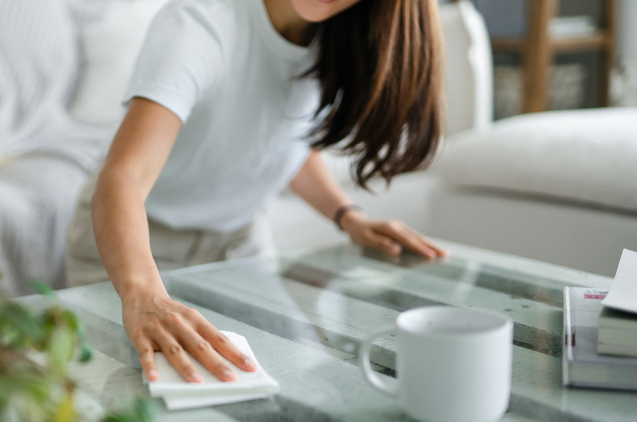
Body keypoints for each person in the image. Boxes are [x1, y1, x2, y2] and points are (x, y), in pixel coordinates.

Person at [66, 0, 448, 384]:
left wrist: (348, 216)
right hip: (136, 245)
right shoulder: (202, 22)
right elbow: (123, 176)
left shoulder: (337, 36)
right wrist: (143, 295)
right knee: (133, 391)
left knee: (284, 379)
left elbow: (284, 144)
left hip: (238, 243)